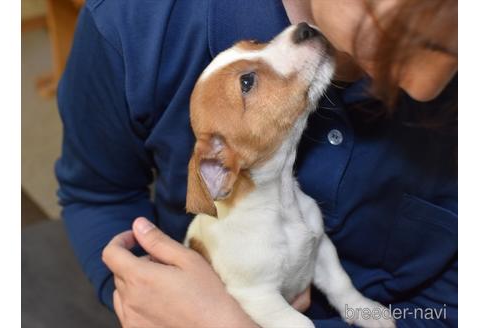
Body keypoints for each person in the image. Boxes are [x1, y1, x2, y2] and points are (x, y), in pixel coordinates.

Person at [56, 0, 458, 327]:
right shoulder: (135, 21)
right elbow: (96, 194)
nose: (426, 87)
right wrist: (139, 296)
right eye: (411, 37)